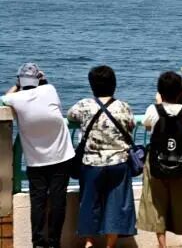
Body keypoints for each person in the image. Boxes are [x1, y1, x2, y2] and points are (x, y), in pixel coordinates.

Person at [2, 63, 74, 248]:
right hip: (62, 156)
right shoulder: (50, 90)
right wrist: (42, 78)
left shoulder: (15, 99)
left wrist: (17, 85)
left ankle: (39, 243)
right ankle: (55, 242)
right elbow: (45, 86)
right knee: (58, 201)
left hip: (35, 161)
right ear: (39, 79)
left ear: (20, 80)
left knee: (38, 203)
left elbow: (4, 99)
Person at [67, 65, 136, 248]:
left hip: (91, 162)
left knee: (89, 203)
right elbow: (131, 125)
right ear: (114, 84)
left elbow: (70, 116)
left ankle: (89, 242)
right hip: (119, 162)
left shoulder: (84, 105)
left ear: (92, 85)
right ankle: (110, 245)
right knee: (116, 204)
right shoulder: (124, 106)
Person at [137, 71, 182, 248]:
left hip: (156, 162)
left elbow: (147, 124)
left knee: (157, 203)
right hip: (180, 162)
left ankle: (162, 244)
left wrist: (158, 104)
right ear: (180, 93)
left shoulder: (153, 109)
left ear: (160, 92)